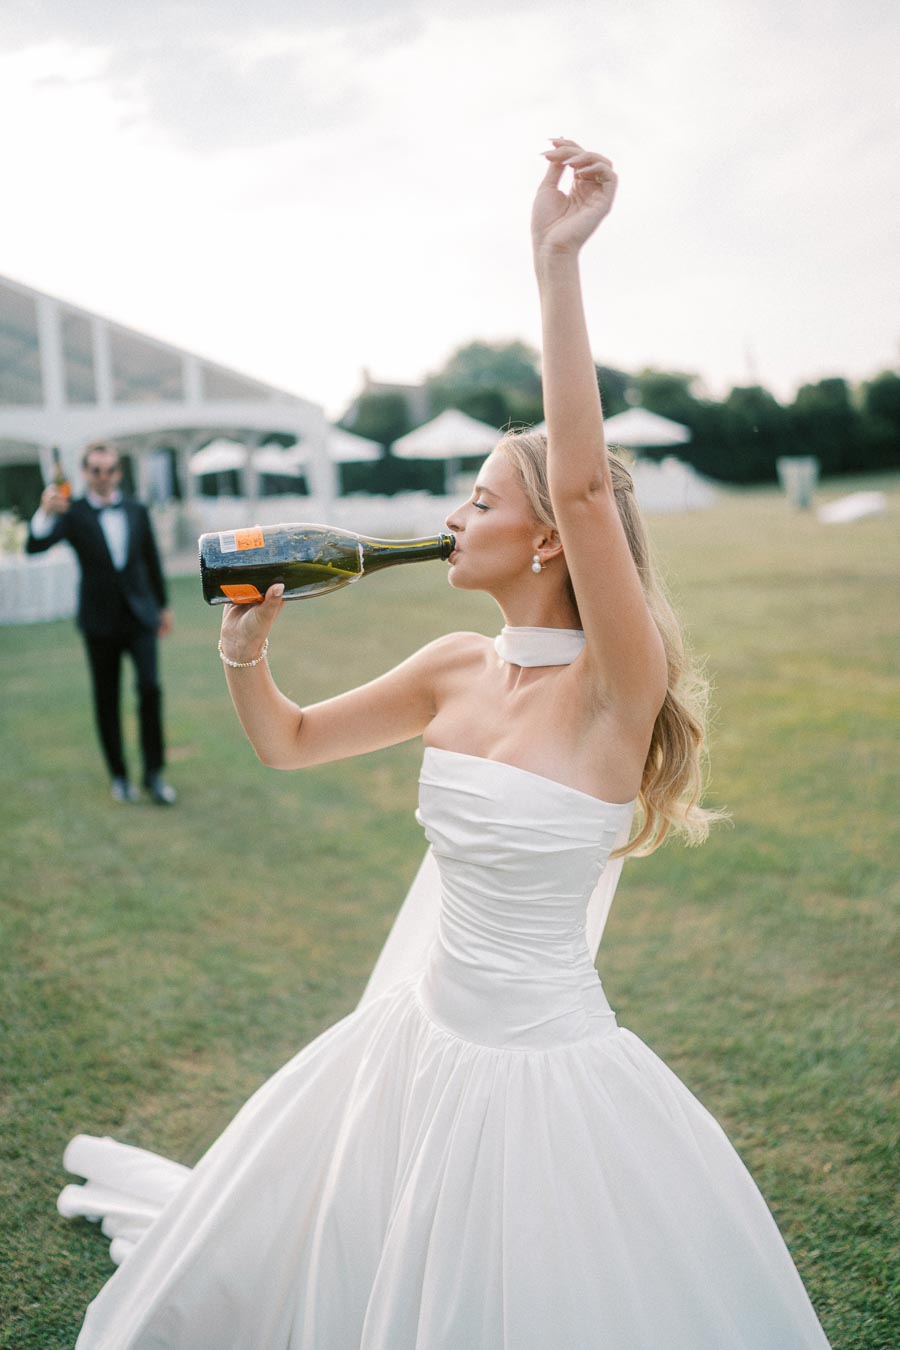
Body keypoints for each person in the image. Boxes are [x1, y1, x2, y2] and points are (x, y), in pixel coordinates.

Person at [57, 141, 831, 1348]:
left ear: (542, 543)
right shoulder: (449, 668)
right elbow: (291, 743)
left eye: (480, 498)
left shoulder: (618, 691)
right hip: (412, 1043)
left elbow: (585, 488)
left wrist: (554, 263)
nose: (454, 516)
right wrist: (244, 647)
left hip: (541, 1077)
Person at [26, 440, 177, 805]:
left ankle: (154, 775)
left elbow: (150, 560)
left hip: (140, 616)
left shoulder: (137, 509)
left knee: (150, 689)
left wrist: (163, 606)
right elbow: (35, 546)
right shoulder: (72, 512)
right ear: (85, 473)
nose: (103, 476)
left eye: (109, 469)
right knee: (106, 699)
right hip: (99, 621)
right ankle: (120, 777)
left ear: (118, 472)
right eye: (95, 470)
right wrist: (44, 513)